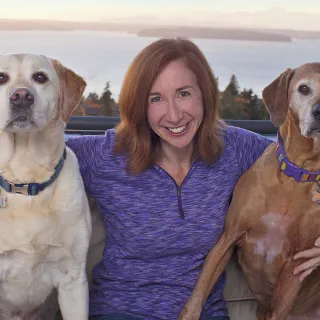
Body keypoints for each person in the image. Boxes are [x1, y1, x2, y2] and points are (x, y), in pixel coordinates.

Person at [66, 37, 320, 320]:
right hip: (123, 310)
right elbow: (26, 160)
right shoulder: (105, 154)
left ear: (205, 94)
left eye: (184, 93)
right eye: (155, 98)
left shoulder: (237, 149)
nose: (174, 115)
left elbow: (301, 164)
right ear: (138, 104)